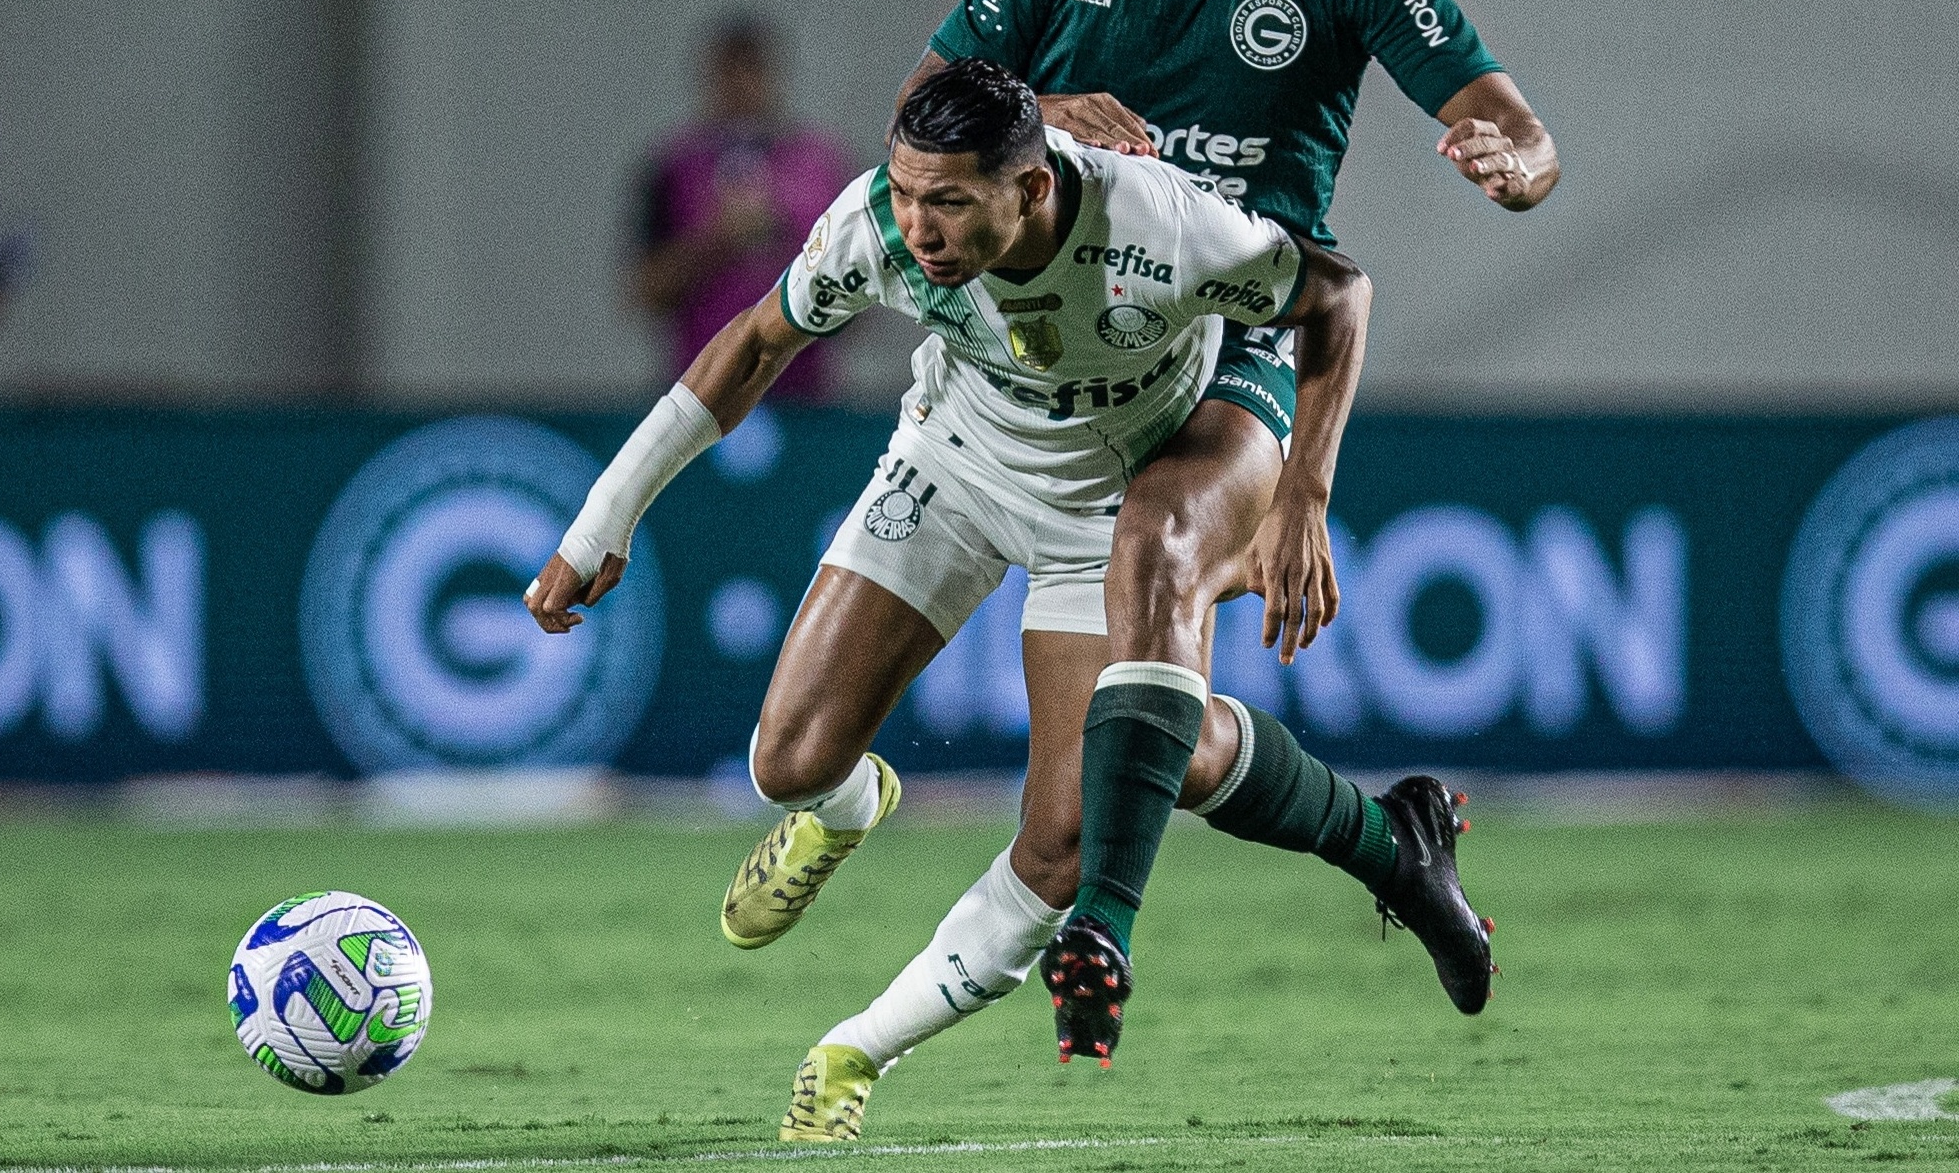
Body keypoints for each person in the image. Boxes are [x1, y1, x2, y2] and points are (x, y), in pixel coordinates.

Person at [896, 0, 1555, 1068]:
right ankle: (1396, 845)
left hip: (1233, 353)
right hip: (1052, 360)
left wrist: (1516, 160)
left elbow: (1502, 116)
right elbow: (927, 104)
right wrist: (1049, 109)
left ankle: (1100, 943)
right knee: (1162, 735)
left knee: (1158, 561)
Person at [527, 57, 1397, 1143]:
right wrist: (599, 524)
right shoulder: (875, 229)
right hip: (950, 471)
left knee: (1060, 844)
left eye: (946, 200)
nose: (916, 227)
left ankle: (852, 1050)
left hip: (1103, 515)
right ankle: (850, 807)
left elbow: (1336, 294)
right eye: (903, 192)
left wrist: (1298, 491)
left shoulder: (1159, 227)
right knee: (785, 764)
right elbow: (755, 342)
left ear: (1030, 190)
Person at [632, 15, 858, 402]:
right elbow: (645, 291)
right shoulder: (675, 167)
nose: (740, 88)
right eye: (728, 74)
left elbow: (862, 297)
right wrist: (717, 243)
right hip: (699, 394)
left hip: (803, 397)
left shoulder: (818, 165)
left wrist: (784, 234)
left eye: (751, 72)